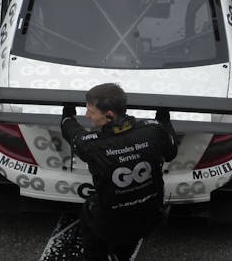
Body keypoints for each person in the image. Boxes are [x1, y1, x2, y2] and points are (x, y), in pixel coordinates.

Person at [61, 83, 178, 261]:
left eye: (91, 112)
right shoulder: (154, 131)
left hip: (109, 224)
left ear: (109, 115)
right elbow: (171, 153)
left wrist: (67, 115)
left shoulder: (92, 145)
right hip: (149, 217)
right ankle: (121, 254)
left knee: (89, 211)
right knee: (127, 239)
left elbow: (71, 130)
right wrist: (164, 120)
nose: (87, 115)